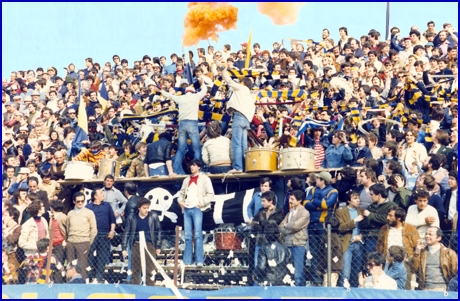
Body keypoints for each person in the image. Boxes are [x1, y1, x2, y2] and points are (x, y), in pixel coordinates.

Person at [153, 78, 206, 175]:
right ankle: (198, 170)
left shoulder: (180, 98)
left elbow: (169, 95)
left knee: (181, 149)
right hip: (192, 123)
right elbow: (204, 90)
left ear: (185, 92)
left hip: (182, 124)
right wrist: (202, 83)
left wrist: (160, 90)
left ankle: (176, 169)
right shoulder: (196, 97)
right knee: (197, 148)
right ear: (193, 92)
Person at [214, 57, 255, 173]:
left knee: (236, 144)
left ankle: (238, 167)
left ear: (243, 83)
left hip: (239, 117)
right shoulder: (250, 95)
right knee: (243, 145)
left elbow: (228, 80)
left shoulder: (241, 88)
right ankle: (244, 167)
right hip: (246, 120)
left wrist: (222, 69)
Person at [177, 159, 214, 266]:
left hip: (197, 208)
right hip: (187, 208)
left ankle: (199, 261)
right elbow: (181, 193)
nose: (191, 167)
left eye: (194, 165)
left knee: (198, 235)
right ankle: (187, 261)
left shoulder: (204, 178)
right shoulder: (186, 179)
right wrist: (180, 202)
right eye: (191, 165)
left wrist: (201, 203)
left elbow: (210, 194)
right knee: (188, 235)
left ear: (199, 167)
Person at [304, 171, 338, 285]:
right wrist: (319, 205)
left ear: (322, 180)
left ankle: (324, 278)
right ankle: (315, 279)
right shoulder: (313, 190)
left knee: (324, 251)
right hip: (312, 223)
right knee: (313, 252)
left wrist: (314, 202)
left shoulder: (333, 191)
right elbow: (305, 203)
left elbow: (326, 205)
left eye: (318, 178)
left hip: (324, 225)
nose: (316, 180)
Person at [122, 198, 162, 286]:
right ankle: (135, 288)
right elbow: (126, 233)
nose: (147, 210)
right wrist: (124, 248)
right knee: (135, 268)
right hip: (136, 244)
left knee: (150, 269)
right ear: (139, 208)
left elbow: (158, 231)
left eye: (148, 207)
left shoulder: (153, 216)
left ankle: (150, 287)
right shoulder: (132, 217)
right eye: (144, 208)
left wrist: (158, 246)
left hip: (150, 244)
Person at [409, 226, 458, 291]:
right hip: (424, 289)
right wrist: (417, 253)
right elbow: (413, 270)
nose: (427, 236)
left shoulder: (449, 253)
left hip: (442, 288)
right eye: (426, 234)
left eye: (430, 234)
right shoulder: (421, 252)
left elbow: (454, 272)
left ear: (439, 238)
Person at [279, 190, 310, 287]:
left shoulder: (305, 213)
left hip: (298, 244)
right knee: (287, 271)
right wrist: (289, 228)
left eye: (292, 199)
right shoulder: (290, 212)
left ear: (299, 200)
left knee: (298, 272)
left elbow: (296, 226)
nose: (290, 201)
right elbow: (280, 226)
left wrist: (287, 227)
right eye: (289, 198)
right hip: (287, 244)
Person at [86, 188, 116, 283]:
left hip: (105, 235)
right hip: (92, 235)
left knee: (102, 257)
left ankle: (98, 279)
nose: (103, 194)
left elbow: (112, 220)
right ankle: (88, 277)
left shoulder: (107, 205)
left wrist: (112, 231)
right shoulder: (88, 207)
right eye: (101, 193)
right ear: (95, 196)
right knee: (89, 256)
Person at [66, 191, 97, 280]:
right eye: (78, 201)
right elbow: (68, 228)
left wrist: (88, 242)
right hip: (71, 242)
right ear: (74, 202)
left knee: (82, 266)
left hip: (84, 242)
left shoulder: (89, 213)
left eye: (82, 201)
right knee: (70, 265)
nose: (80, 203)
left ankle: (81, 285)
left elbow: (94, 230)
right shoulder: (70, 213)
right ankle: (70, 284)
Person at [336, 190, 365, 288]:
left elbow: (366, 227)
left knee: (356, 272)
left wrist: (361, 236)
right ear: (348, 200)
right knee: (345, 273)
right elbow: (340, 228)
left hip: (359, 244)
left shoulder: (361, 210)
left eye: (358, 198)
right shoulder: (340, 211)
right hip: (346, 243)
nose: (358, 200)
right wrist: (354, 221)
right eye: (355, 198)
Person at [316, 214, 343, 287]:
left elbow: (332, 253)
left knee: (329, 286)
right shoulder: (328, 236)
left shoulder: (331, 237)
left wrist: (321, 266)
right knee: (326, 284)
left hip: (333, 268)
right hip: (328, 268)